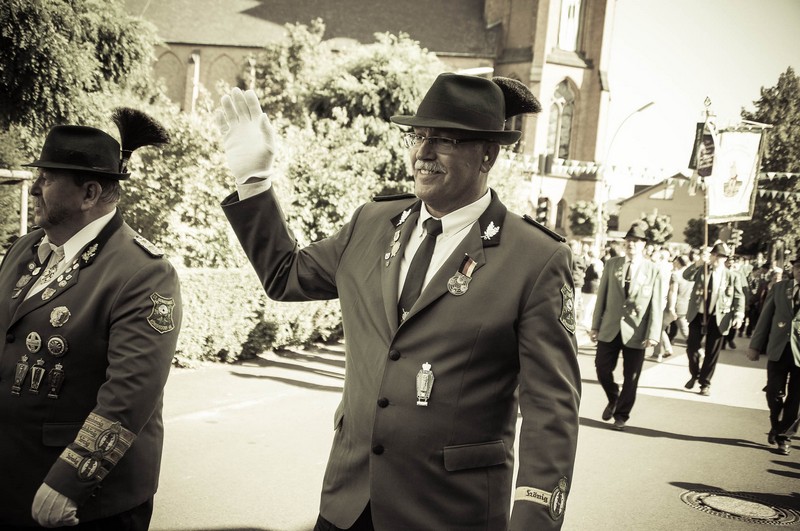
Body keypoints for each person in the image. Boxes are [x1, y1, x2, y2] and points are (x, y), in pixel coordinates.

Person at [217, 75, 581, 530]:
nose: (423, 152)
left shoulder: (535, 257)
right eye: (418, 135)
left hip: (448, 513)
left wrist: (533, 522)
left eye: (444, 140)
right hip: (348, 504)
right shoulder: (372, 222)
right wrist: (254, 181)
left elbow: (551, 410)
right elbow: (284, 275)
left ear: (488, 155)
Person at [0, 110, 182, 528]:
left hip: (84, 500)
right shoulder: (26, 248)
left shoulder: (144, 271)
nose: (35, 189)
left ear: (89, 193)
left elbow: (131, 392)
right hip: (11, 479)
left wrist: (71, 481)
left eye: (47, 178)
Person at [590, 223, 663, 430]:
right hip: (610, 327)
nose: (631, 244)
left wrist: (653, 334)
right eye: (629, 241)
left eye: (636, 241)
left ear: (644, 245)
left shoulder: (653, 270)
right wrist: (595, 326)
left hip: (637, 331)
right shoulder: (612, 264)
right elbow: (601, 296)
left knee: (631, 377)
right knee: (602, 368)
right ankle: (613, 396)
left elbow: (656, 304)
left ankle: (621, 415)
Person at [747, 254, 800, 455]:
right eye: (797, 267)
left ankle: (784, 436)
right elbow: (765, 318)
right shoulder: (779, 288)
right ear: (792, 269)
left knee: (796, 398)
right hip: (779, 349)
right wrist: (755, 346)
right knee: (773, 392)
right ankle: (776, 424)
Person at [682, 242, 745, 396]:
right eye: (714, 255)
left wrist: (738, 315)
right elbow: (686, 275)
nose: (716, 258)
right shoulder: (702, 270)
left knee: (712, 352)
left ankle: (705, 383)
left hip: (719, 317)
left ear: (725, 259)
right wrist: (698, 262)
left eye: (720, 256)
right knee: (692, 347)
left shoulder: (732, 276)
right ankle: (695, 373)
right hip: (698, 315)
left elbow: (739, 296)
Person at [581, 246, 603, 329]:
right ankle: (586, 320)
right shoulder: (598, 263)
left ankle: (584, 319)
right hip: (593, 285)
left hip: (585, 284)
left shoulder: (586, 261)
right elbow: (599, 275)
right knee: (590, 304)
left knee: (585, 304)